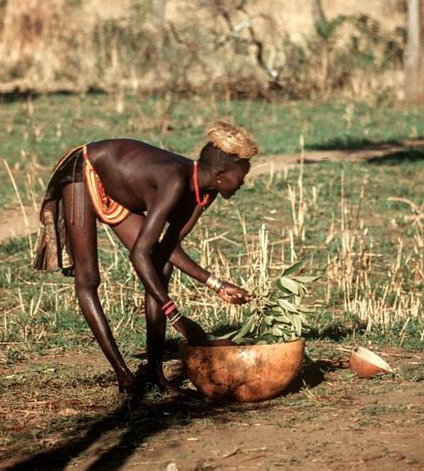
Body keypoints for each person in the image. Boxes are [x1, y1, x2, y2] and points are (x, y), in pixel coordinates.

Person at [34, 120, 258, 393]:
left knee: (161, 268)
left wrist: (217, 285)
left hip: (118, 185)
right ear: (221, 173)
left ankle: (154, 373)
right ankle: (123, 375)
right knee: (88, 278)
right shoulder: (175, 180)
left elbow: (166, 249)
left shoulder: (204, 193)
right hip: (87, 169)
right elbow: (138, 255)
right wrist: (176, 317)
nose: (243, 184)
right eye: (241, 177)